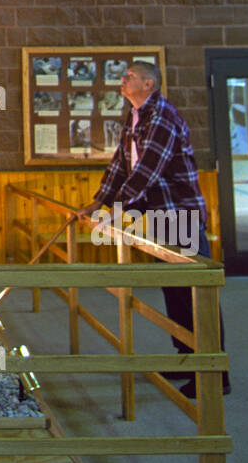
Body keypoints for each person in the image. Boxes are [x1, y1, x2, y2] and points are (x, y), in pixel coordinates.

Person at [75, 61, 229, 398]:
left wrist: (115, 211)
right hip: (160, 213)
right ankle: (187, 356)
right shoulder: (134, 117)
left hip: (180, 212)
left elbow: (147, 170)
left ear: (149, 84)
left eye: (130, 76)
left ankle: (214, 372)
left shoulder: (162, 116)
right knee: (172, 289)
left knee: (194, 290)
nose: (123, 79)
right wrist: (98, 202)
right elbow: (120, 164)